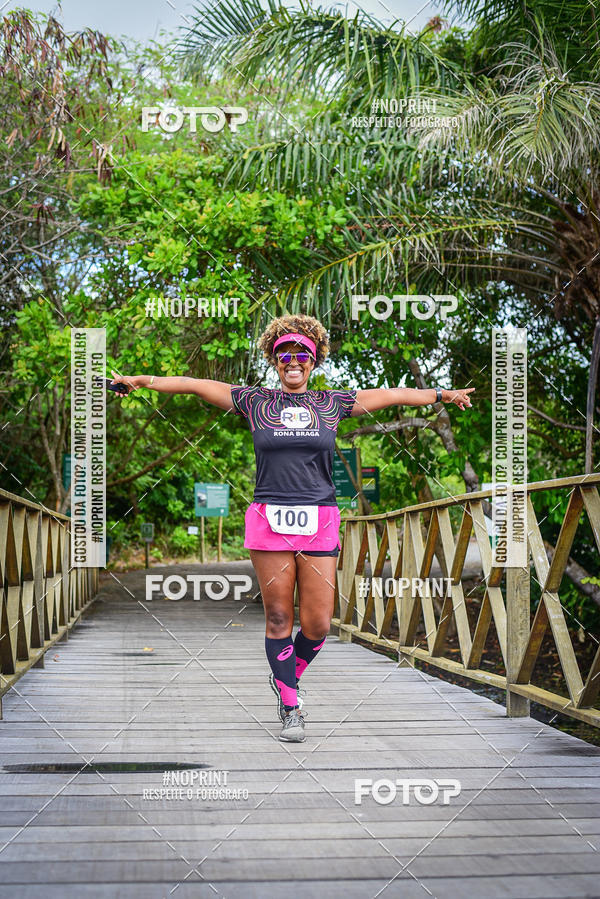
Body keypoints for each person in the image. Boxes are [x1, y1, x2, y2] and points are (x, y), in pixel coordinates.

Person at [110, 313, 475, 743]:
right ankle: (290, 702)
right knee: (280, 615)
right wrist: (142, 381)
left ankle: (286, 676)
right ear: (274, 360)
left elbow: (393, 395)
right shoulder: (254, 401)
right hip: (269, 519)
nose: (293, 360)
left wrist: (440, 394)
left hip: (319, 518)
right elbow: (191, 383)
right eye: (284, 354)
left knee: (318, 624)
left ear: (314, 359)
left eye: (302, 353)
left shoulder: (333, 403)